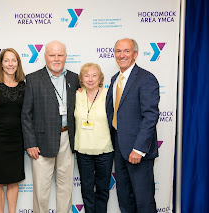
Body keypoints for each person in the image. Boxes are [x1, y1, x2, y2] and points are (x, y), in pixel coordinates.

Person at [21, 40, 80, 213]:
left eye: (60, 55)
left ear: (65, 57)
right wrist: (30, 143)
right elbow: (26, 114)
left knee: (66, 187)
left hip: (67, 139)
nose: (56, 59)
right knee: (41, 189)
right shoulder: (33, 79)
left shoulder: (74, 78)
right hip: (41, 141)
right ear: (45, 57)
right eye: (52, 55)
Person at [106, 38, 160, 213]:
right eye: (118, 51)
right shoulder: (115, 79)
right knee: (125, 198)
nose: (122, 55)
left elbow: (150, 117)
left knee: (144, 201)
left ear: (135, 54)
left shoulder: (146, 79)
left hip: (138, 150)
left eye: (127, 51)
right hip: (119, 148)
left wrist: (138, 149)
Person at [0, 48, 25, 213]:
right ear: (1, 64)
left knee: (13, 180)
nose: (10, 64)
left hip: (17, 138)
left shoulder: (24, 85)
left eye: (13, 60)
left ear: (18, 63)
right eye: (6, 60)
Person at [74, 63, 114, 213]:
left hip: (105, 150)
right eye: (86, 75)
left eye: (94, 75)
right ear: (82, 79)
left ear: (100, 78)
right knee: (87, 190)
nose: (90, 79)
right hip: (83, 151)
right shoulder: (76, 95)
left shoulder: (109, 94)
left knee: (103, 190)